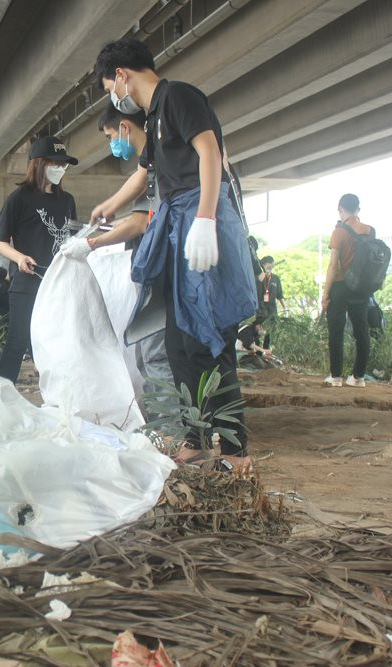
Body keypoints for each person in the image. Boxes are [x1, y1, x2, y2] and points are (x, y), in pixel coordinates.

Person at [90, 38, 257, 468]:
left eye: (111, 85)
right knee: (178, 338)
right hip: (177, 224)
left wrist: (205, 220)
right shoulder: (156, 114)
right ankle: (196, 438)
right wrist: (110, 204)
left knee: (209, 335)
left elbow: (210, 153)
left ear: (122, 76)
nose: (114, 95)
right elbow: (146, 171)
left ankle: (236, 451)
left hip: (199, 221)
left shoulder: (179, 96)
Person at [86, 105, 174, 398]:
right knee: (146, 352)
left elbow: (139, 224)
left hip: (161, 277)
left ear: (125, 127)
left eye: (111, 135)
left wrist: (93, 243)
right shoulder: (151, 166)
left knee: (154, 352)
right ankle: (166, 427)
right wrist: (109, 211)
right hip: (155, 273)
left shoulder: (161, 165)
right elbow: (136, 215)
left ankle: (172, 431)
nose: (112, 143)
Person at [0, 135, 78, 383]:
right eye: (56, 164)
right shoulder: (19, 199)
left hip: (58, 282)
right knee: (18, 340)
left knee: (57, 339)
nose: (61, 169)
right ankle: (2, 392)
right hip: (27, 282)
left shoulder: (68, 201)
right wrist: (18, 257)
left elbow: (71, 238)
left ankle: (58, 395)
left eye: (64, 165)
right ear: (39, 163)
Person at [323, 193, 373, 388]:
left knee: (336, 330)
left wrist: (326, 293)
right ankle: (358, 377)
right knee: (362, 331)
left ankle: (336, 377)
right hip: (361, 288)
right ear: (358, 209)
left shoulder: (339, 232)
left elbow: (333, 266)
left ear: (340, 209)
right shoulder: (370, 231)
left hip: (341, 286)